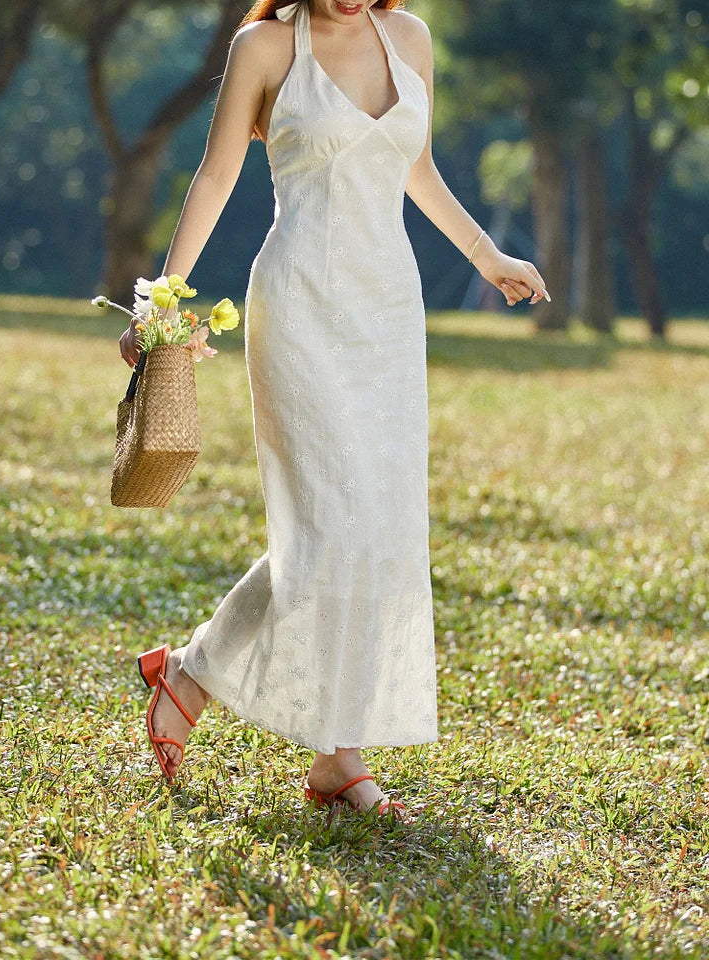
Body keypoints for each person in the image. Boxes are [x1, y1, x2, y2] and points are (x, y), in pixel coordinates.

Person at [121, 0, 550, 822]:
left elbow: (413, 166)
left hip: (388, 309)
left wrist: (487, 256)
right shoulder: (265, 46)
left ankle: (297, 738)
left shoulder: (411, 39)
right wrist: (162, 301)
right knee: (326, 526)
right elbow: (214, 175)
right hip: (300, 303)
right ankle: (277, 722)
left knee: (377, 528)